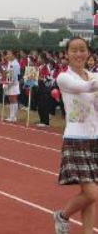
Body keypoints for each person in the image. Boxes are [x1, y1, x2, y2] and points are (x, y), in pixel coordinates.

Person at [54, 37, 98, 234]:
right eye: (74, 50)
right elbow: (84, 88)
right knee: (91, 193)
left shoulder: (94, 75)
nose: (79, 53)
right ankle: (62, 216)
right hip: (76, 140)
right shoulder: (64, 78)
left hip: (95, 139)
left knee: (89, 196)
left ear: (88, 52)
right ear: (67, 54)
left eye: (82, 49)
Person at [3, 50, 21, 122]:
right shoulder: (10, 62)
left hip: (13, 83)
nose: (7, 55)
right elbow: (8, 73)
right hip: (9, 82)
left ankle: (14, 116)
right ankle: (11, 116)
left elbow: (15, 76)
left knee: (14, 99)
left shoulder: (15, 64)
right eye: (7, 54)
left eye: (9, 54)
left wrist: (8, 83)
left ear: (13, 55)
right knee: (11, 99)